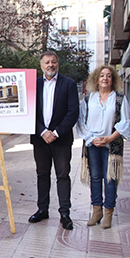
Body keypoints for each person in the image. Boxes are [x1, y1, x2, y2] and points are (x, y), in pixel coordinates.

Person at [76, 65, 130, 229]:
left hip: (111, 144)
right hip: (92, 144)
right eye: (102, 76)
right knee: (95, 177)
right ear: (96, 79)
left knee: (110, 179)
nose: (105, 78)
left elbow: (125, 122)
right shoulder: (88, 98)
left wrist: (110, 138)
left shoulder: (120, 99)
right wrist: (91, 139)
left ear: (113, 79)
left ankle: (108, 212)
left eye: (108, 76)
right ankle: (96, 211)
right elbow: (81, 121)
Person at [29, 51, 79, 230]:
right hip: (40, 138)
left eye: (54, 62)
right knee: (42, 174)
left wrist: (56, 133)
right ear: (41, 65)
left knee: (63, 175)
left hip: (62, 140)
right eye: (47, 62)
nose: (50, 65)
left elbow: (73, 112)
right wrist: (42, 131)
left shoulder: (69, 84)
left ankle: (64, 213)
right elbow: (29, 111)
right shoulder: (33, 84)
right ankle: (42, 209)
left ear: (58, 64)